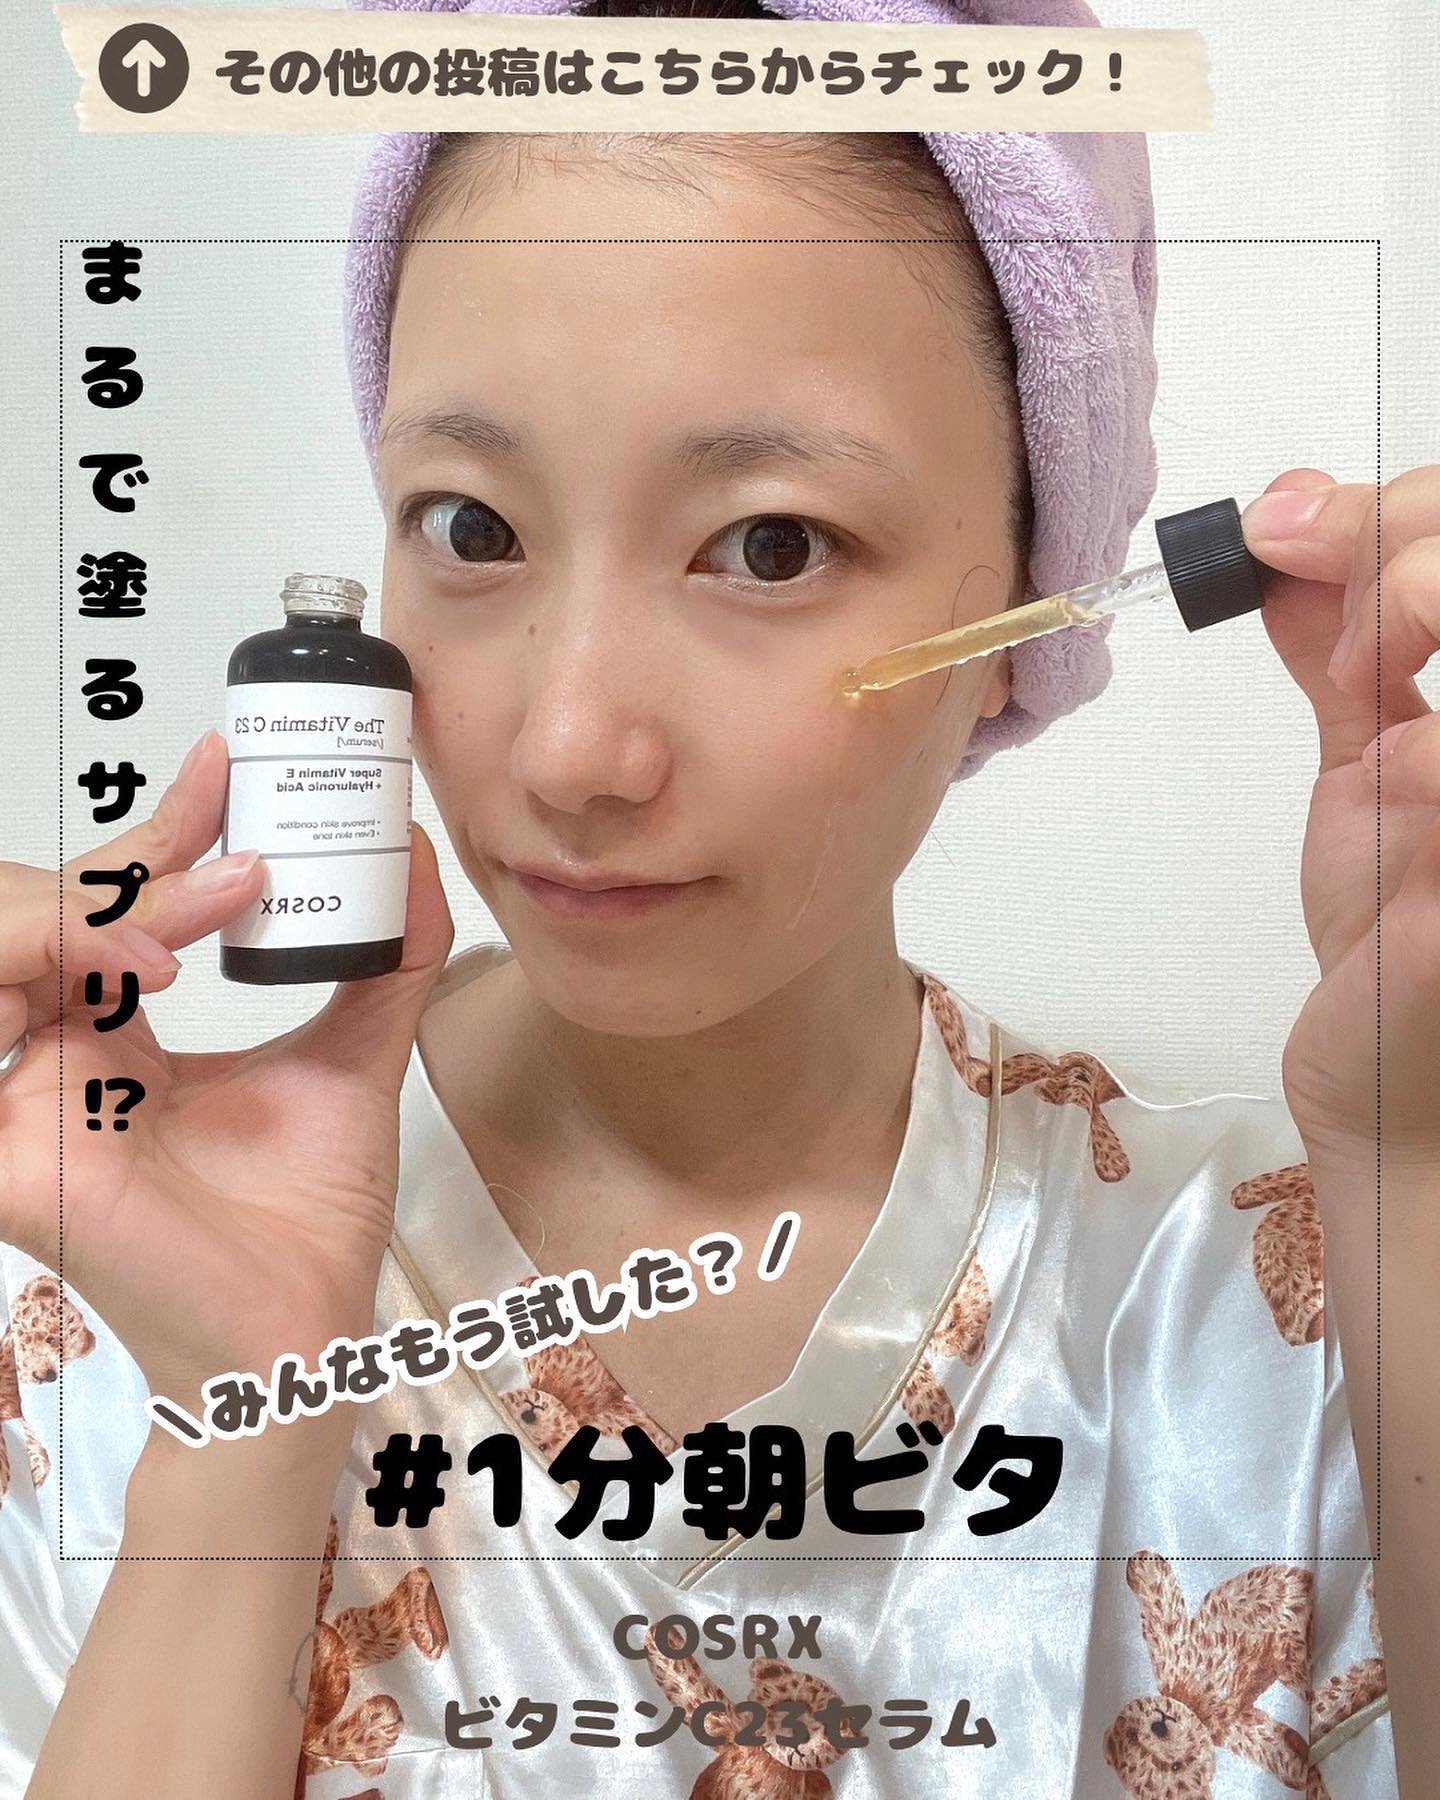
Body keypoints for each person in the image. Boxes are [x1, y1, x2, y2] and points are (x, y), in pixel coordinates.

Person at [3, 3, 1437, 1796]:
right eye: (470, 527)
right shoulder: (103, 1295)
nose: (571, 749)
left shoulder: (1282, 1301)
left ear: (1035, 603)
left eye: (770, 545)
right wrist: (239, 1426)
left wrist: (1414, 1167)